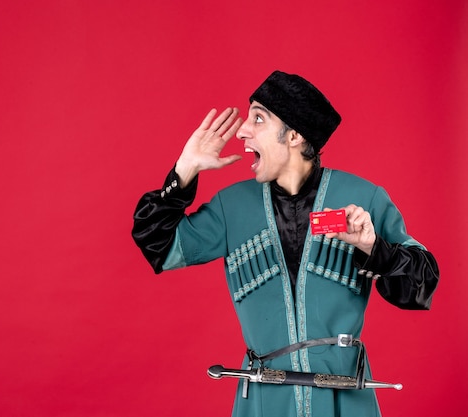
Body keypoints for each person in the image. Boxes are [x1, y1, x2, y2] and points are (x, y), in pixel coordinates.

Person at [131, 70, 439, 417]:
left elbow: (422, 284)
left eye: (258, 118)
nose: (243, 131)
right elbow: (160, 247)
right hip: (263, 400)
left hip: (345, 398)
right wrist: (184, 170)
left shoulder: (363, 198)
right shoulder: (230, 207)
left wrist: (374, 248)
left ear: (294, 135)